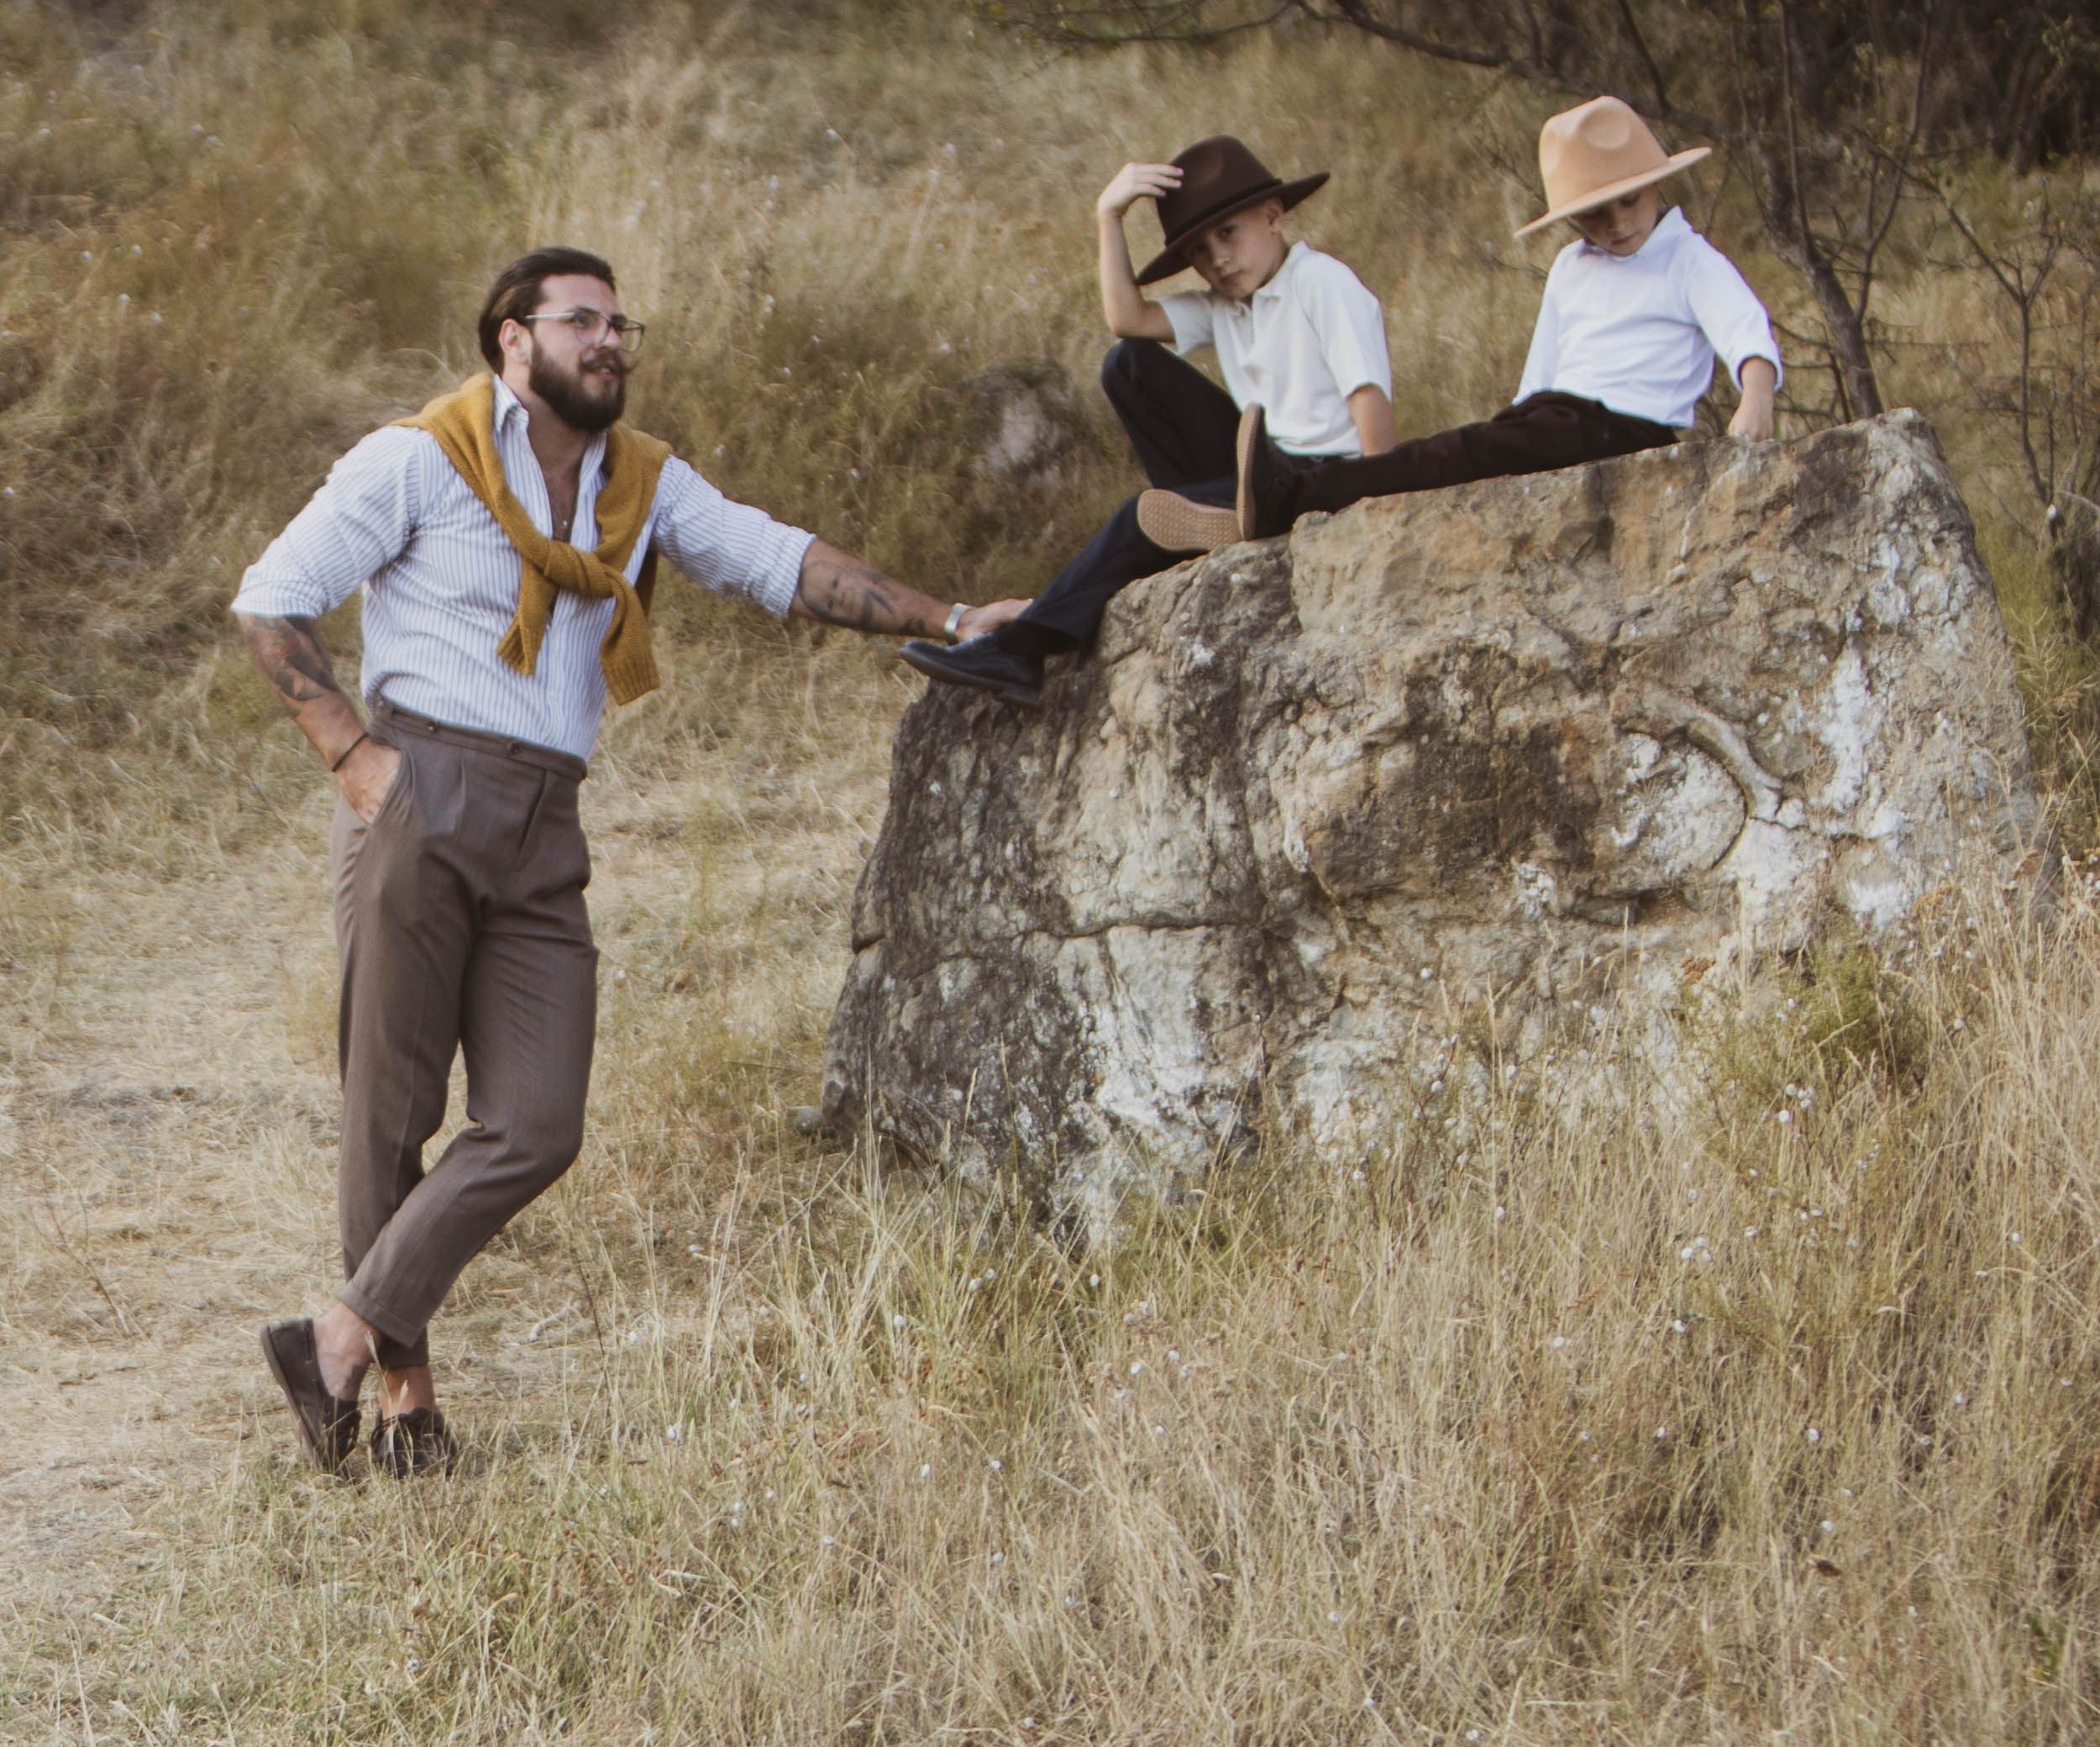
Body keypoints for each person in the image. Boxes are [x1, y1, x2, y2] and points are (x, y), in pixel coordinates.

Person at [233, 244, 1021, 1478]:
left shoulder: (642, 484)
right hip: (422, 786)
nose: (609, 341)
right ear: (513, 341)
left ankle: (332, 1335)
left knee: (538, 1120)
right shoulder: (420, 458)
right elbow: (271, 597)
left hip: (547, 814)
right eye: (581, 320)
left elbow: (780, 559)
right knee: (391, 1108)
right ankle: (406, 1404)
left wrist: (950, 617)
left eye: (619, 325)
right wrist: (351, 755)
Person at [1138, 97, 1782, 551]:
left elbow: (1745, 331)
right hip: (1559, 416)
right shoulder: (1571, 265)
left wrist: (1755, 400)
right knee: (1457, 452)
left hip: (1628, 426)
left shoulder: (1688, 258)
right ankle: (1281, 500)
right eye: (1593, 214)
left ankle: (1290, 496)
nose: (1616, 223)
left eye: (1629, 200)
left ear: (1657, 186)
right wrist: (1515, 423)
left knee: (1454, 456)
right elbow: (1542, 372)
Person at [900, 134, 1393, 706]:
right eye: (1200, 252)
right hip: (1258, 468)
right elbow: (1126, 318)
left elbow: (1368, 397)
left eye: (1228, 234)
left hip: (1322, 478)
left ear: (1274, 214)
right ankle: (1212, 514)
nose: (1218, 259)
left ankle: (1023, 649)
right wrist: (1108, 215)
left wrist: (1375, 509)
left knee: (1140, 517)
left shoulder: (1322, 282)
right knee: (1128, 365)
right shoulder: (1226, 304)